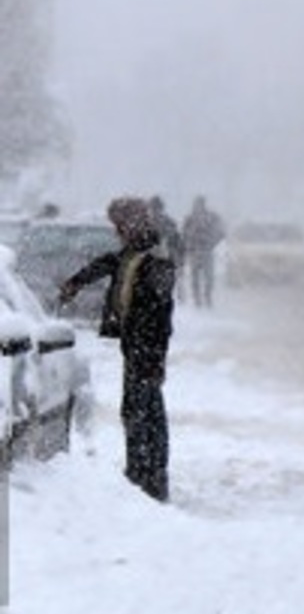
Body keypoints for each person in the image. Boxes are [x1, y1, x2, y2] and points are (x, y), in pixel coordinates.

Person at [59, 197, 174, 502]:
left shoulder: (155, 256)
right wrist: (76, 281)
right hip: (135, 343)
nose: (117, 231)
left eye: (119, 225)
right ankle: (140, 472)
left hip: (146, 347)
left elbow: (162, 311)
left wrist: (156, 357)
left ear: (133, 222)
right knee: (136, 411)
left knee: (145, 414)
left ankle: (150, 479)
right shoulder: (133, 252)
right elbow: (108, 263)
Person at [181, 195, 225, 308]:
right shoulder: (189, 219)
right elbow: (184, 235)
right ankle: (197, 299)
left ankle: (207, 297)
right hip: (195, 252)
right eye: (197, 204)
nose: (198, 207)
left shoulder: (211, 217)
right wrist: (188, 246)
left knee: (208, 278)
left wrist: (211, 242)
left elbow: (221, 232)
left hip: (206, 251)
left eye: (200, 204)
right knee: (195, 278)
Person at [148, 195, 186, 301]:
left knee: (164, 282)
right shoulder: (147, 222)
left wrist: (179, 257)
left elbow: (177, 242)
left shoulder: (168, 223)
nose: (155, 211)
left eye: (157, 208)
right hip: (154, 258)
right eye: (153, 208)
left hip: (165, 257)